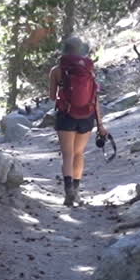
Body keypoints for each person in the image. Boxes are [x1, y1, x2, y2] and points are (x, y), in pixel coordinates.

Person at [49, 35, 107, 206]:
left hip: (66, 115)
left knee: (67, 155)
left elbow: (53, 96)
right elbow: (94, 97)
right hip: (86, 116)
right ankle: (77, 191)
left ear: (64, 49)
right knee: (79, 154)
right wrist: (100, 124)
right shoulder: (89, 68)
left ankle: (68, 192)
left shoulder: (56, 70)